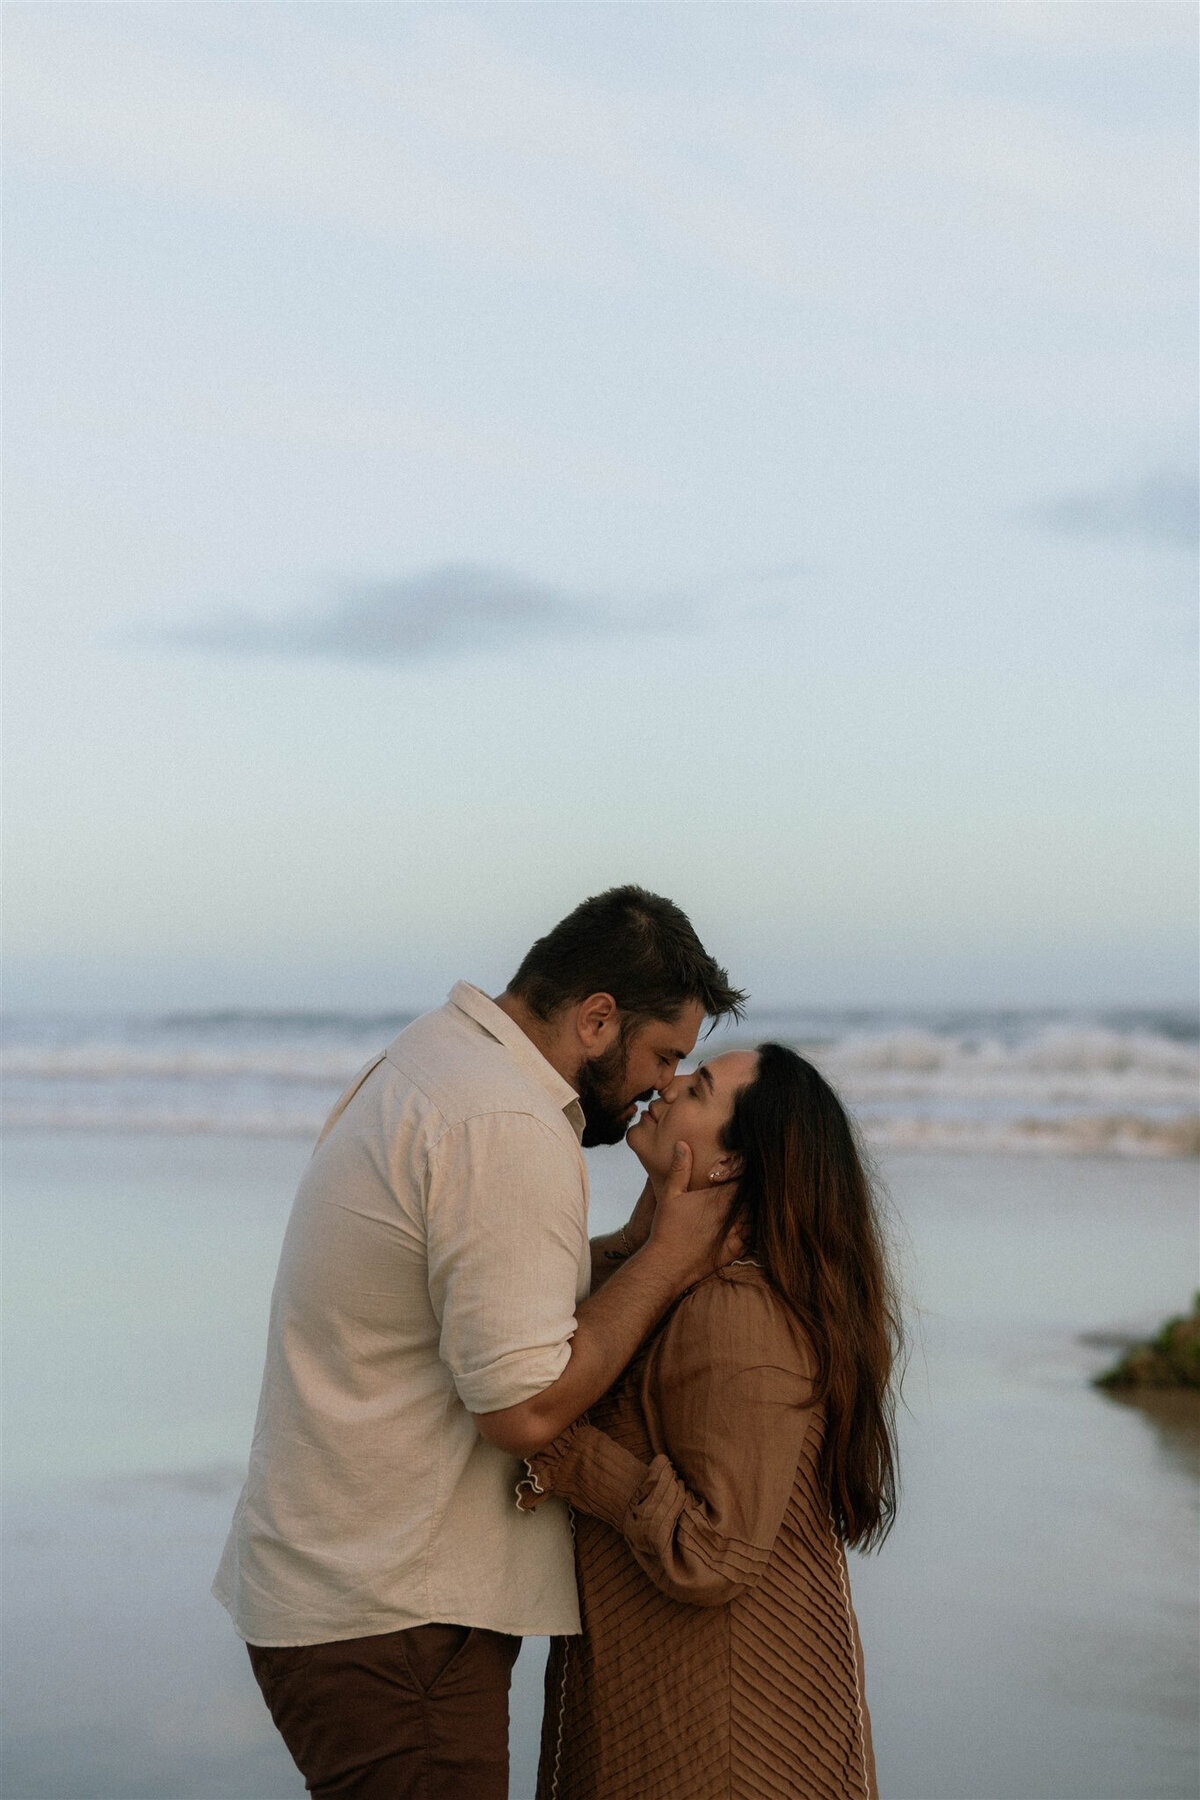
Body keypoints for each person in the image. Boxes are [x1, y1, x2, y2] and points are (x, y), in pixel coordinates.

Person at [213, 885, 745, 1800]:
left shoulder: (440, 1060)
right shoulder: (503, 1122)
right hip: (392, 1622)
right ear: (597, 1018)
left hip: (350, 1596)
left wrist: (642, 1241)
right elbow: (524, 1405)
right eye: (664, 1056)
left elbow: (489, 1288)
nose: (664, 1084)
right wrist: (669, 1258)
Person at [517, 1042, 902, 1800]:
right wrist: (659, 1238)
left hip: (725, 1737)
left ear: (731, 1163)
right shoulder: (679, 1284)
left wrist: (565, 1451)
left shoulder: (737, 1313)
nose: (663, 1089)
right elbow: (573, 1305)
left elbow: (716, 1553)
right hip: (679, 1700)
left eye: (694, 1089)